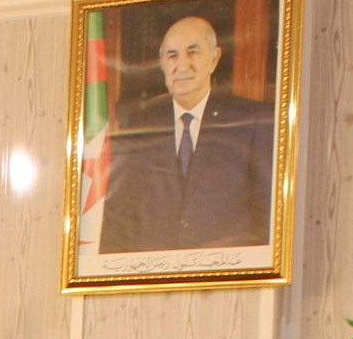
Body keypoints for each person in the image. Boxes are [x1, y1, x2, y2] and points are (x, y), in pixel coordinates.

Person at [96, 15, 275, 254]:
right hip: (155, 270)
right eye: (172, 55)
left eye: (193, 52)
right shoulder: (139, 127)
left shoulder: (251, 120)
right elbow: (118, 218)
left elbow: (268, 212)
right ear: (162, 63)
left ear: (214, 58)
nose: (182, 66)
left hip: (227, 269)